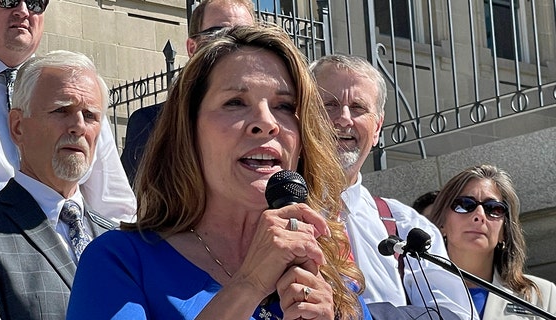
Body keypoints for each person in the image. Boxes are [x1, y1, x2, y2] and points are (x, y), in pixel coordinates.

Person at [67, 25, 371, 320]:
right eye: (235, 102)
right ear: (189, 132)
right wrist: (249, 285)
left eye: (284, 105)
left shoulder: (331, 280)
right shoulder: (121, 262)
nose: (266, 122)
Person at [0, 0, 135, 317]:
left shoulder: (79, 100)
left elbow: (115, 207)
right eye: (6, 0)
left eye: (35, 2)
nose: (22, 10)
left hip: (70, 281)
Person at [310, 54, 474, 319]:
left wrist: (359, 316)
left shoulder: (405, 225)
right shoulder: (270, 211)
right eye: (329, 104)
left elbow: (456, 315)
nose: (343, 118)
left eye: (358, 107)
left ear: (377, 128)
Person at [120, 0, 255, 185]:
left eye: (246, 35)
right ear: (193, 48)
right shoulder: (152, 123)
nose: (235, 45)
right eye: (219, 35)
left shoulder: (278, 121)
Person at [428, 164, 556, 319]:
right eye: (465, 205)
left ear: (504, 232)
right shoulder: (413, 289)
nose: (479, 215)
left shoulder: (542, 295)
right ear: (441, 224)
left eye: (494, 209)